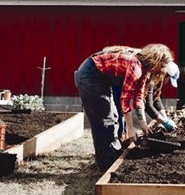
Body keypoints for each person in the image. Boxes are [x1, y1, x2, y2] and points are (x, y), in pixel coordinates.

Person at [74, 43, 174, 171]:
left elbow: (138, 97)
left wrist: (143, 124)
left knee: (113, 116)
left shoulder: (144, 70)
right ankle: (106, 164)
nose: (163, 70)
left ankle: (109, 156)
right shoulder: (135, 67)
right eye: (163, 65)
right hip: (90, 75)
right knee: (105, 120)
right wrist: (131, 128)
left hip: (101, 78)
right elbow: (125, 100)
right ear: (156, 60)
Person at [145, 61, 180, 132]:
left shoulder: (159, 81)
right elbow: (148, 105)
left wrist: (165, 117)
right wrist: (165, 122)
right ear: (166, 75)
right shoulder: (152, 79)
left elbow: (156, 98)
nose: (167, 82)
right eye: (169, 79)